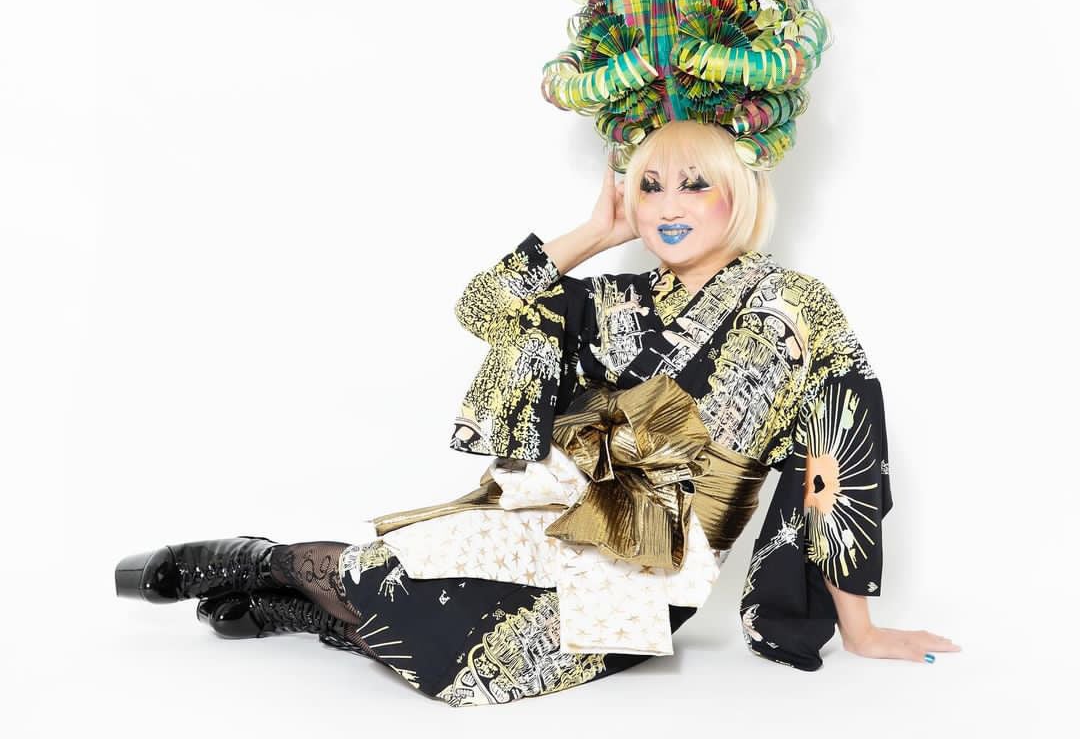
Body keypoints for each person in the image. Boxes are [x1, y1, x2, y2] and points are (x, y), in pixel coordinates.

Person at [115, 119, 960, 706]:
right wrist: (594, 234)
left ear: (738, 194)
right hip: (562, 516)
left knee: (459, 655)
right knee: (397, 575)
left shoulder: (795, 304)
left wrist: (859, 628)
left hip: (661, 567)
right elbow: (484, 305)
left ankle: (296, 602)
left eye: (694, 184)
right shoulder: (619, 299)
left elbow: (840, 460)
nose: (667, 205)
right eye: (649, 185)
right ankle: (255, 560)